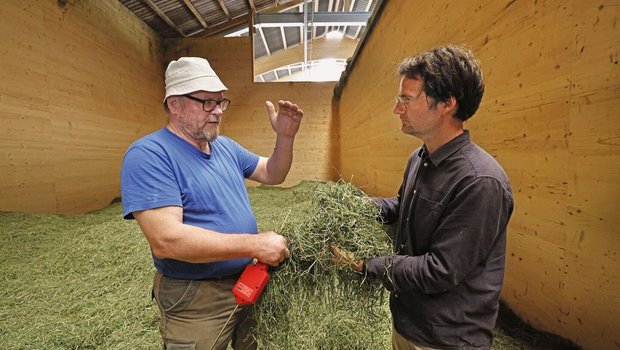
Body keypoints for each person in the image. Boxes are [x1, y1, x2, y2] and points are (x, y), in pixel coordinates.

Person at [332, 45, 514, 349]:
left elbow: (440, 270)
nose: (397, 108)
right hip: (408, 324)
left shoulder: (480, 181)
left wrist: (365, 265)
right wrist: (360, 208)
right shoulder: (420, 158)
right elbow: (405, 209)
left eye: (406, 98)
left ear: (446, 103)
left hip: (446, 338)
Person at [120, 57, 303, 350]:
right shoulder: (150, 155)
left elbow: (273, 173)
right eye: (207, 102)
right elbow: (166, 240)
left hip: (249, 281)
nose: (217, 111)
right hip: (196, 298)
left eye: (220, 102)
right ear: (175, 104)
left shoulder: (225, 147)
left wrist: (285, 137)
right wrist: (255, 245)